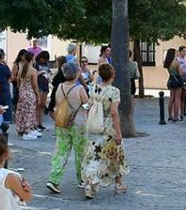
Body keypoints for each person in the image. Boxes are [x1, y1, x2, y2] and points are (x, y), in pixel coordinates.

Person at [81, 64, 128, 199]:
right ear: (112, 75)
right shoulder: (114, 91)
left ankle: (91, 183)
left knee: (94, 154)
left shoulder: (93, 89)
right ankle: (115, 184)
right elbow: (114, 112)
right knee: (115, 153)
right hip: (109, 127)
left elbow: (88, 106)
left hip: (96, 126)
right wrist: (118, 132)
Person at [46, 63, 88, 194]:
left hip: (62, 122)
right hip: (78, 124)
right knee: (81, 153)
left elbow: (58, 103)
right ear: (76, 74)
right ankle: (81, 179)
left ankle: (54, 179)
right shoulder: (79, 88)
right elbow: (87, 104)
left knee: (60, 152)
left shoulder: (60, 87)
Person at [15, 52, 41, 140]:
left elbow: (18, 82)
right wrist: (38, 95)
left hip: (22, 92)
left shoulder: (21, 69)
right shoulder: (33, 71)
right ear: (33, 59)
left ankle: (23, 128)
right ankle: (27, 130)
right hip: (30, 93)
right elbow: (35, 85)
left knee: (22, 111)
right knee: (30, 111)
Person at [164, 48, 184, 123]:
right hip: (177, 81)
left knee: (171, 98)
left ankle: (170, 116)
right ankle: (176, 116)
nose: (177, 54)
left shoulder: (168, 63)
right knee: (177, 98)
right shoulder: (176, 62)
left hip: (171, 80)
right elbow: (180, 73)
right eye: (176, 52)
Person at [34, 51, 51, 131]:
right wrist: (41, 72)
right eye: (43, 59)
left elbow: (49, 72)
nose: (44, 61)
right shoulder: (36, 63)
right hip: (39, 84)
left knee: (42, 105)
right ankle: (36, 123)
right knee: (38, 104)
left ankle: (40, 123)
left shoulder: (46, 64)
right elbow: (34, 74)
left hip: (45, 84)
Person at [176, 46, 186, 121]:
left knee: (183, 97)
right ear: (180, 51)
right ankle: (177, 113)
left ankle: (182, 113)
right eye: (183, 51)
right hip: (179, 78)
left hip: (184, 78)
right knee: (178, 96)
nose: (185, 53)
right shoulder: (177, 59)